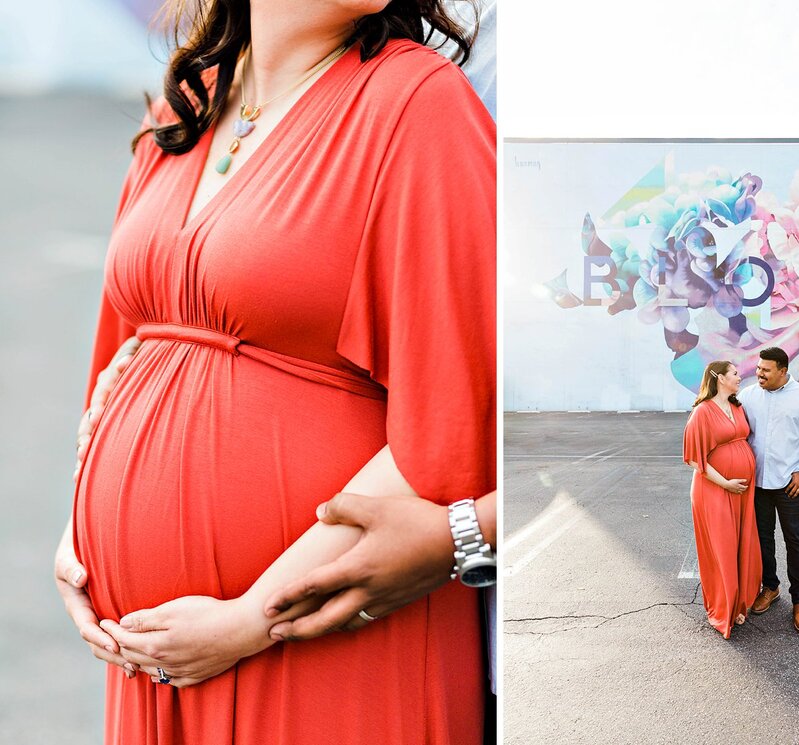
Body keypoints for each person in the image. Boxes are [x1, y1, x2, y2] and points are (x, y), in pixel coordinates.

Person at [51, 0, 496, 742]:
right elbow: (121, 363)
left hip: (323, 646)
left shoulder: (416, 104)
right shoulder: (188, 104)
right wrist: (82, 536)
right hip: (150, 658)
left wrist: (253, 617)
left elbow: (456, 417)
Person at [737, 346, 799, 634]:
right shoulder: (748, 396)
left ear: (782, 371)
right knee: (762, 539)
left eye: (766, 369)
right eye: (759, 368)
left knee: (795, 541)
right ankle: (770, 587)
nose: (759, 373)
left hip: (790, 485)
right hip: (758, 483)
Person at [682, 360, 762, 639]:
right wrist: (726, 482)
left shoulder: (738, 406)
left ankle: (740, 602)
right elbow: (694, 458)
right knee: (723, 548)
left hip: (742, 490)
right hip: (715, 489)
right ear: (719, 378)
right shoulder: (702, 412)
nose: (741, 377)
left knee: (741, 545)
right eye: (735, 373)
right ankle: (724, 607)